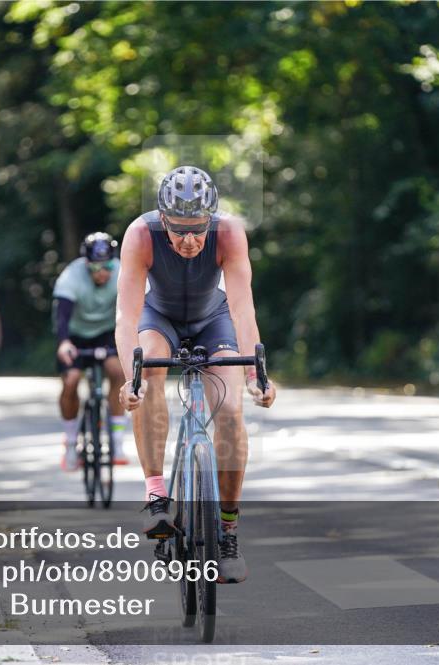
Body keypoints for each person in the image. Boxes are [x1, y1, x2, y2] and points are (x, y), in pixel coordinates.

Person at [115, 165, 277, 584]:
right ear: (162, 219)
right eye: (178, 230)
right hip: (159, 318)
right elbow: (126, 317)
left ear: (211, 219)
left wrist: (256, 375)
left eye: (198, 229)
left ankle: (227, 532)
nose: (189, 241)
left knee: (230, 411)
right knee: (149, 370)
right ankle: (157, 497)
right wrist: (131, 378)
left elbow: (242, 310)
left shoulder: (229, 232)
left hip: (213, 320)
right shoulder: (140, 235)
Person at [53, 232, 129, 471]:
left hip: (106, 332)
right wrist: (64, 342)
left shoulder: (122, 271)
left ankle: (117, 441)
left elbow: (132, 311)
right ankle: (70, 442)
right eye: (95, 267)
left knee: (118, 372)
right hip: (75, 334)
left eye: (107, 266)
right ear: (86, 264)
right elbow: (62, 317)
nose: (102, 272)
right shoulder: (71, 276)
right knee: (71, 380)